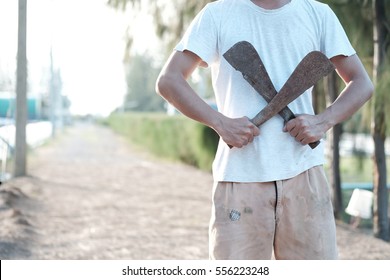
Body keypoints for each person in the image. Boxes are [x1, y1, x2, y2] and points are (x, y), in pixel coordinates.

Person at [155, 0, 373, 260]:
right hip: (239, 179)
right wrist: (220, 122)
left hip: (304, 176)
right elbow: (169, 81)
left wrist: (323, 121)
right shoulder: (218, 14)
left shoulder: (318, 14)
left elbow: (362, 83)